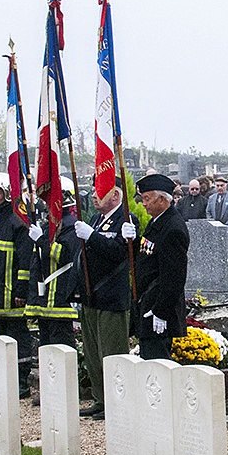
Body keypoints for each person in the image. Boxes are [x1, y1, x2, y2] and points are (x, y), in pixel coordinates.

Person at [75, 180, 138, 420]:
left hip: (111, 297)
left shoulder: (126, 221)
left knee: (111, 354)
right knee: (92, 354)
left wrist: (92, 237)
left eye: (99, 192)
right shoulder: (95, 220)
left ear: (115, 195)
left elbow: (117, 253)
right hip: (92, 297)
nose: (93, 195)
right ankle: (101, 399)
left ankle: (118, 402)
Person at [0, 174, 34, 398]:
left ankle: (21, 381)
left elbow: (24, 259)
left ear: (8, 193)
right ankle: (6, 377)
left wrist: (21, 289)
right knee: (2, 334)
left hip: (13, 292)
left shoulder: (17, 221)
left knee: (18, 335)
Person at [133, 174, 189, 359]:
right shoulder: (158, 221)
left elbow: (174, 276)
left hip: (158, 306)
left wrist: (161, 311)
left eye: (147, 199)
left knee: (157, 365)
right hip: (148, 301)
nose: (144, 204)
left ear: (163, 199)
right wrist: (133, 241)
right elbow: (146, 256)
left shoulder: (172, 228)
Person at [25, 178, 82, 357]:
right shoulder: (48, 225)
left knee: (62, 350)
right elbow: (37, 263)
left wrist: (41, 240)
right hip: (46, 299)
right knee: (47, 350)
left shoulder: (72, 225)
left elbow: (65, 256)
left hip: (61, 299)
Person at [205, 177, 228, 254]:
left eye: (222, 185)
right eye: (217, 186)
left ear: (226, 185)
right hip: (215, 232)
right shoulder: (211, 198)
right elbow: (208, 212)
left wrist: (225, 227)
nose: (219, 188)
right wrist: (213, 225)